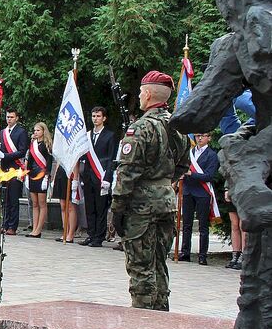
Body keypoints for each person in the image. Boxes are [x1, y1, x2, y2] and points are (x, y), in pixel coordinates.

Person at [112, 71, 189, 311]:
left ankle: (143, 323)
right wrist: (162, 183)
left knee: (140, 269)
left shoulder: (141, 128)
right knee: (158, 264)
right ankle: (161, 316)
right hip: (166, 203)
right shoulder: (178, 127)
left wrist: (117, 208)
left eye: (141, 92)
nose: (139, 95)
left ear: (147, 94)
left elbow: (127, 173)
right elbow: (183, 166)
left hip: (141, 208)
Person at [78, 107, 117, 247]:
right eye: (93, 116)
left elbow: (111, 158)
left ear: (104, 118)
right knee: (89, 207)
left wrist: (107, 178)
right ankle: (91, 234)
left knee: (101, 208)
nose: (95, 118)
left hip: (102, 176)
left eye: (98, 116)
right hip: (88, 176)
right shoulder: (87, 136)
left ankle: (99, 237)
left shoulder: (110, 135)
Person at [179, 133, 220, 265]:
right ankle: (185, 252)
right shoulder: (189, 153)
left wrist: (192, 174)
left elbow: (209, 176)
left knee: (203, 226)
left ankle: (202, 255)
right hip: (188, 190)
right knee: (186, 224)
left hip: (202, 192)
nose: (199, 138)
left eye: (203, 136)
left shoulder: (212, 155)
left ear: (209, 138)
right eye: (197, 136)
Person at [0, 109, 28, 235]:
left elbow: (22, 151)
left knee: (13, 199)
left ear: (17, 118)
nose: (9, 119)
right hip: (3, 169)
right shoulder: (2, 132)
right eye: (7, 117)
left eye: (11, 117)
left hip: (16, 168)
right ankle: (4, 224)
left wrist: (5, 156)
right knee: (5, 199)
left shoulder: (21, 132)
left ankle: (12, 226)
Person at [26, 122, 53, 238]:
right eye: (34, 130)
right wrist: (27, 174)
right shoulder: (32, 144)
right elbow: (30, 161)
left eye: (38, 130)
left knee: (42, 203)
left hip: (42, 176)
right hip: (32, 175)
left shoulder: (47, 145)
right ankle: (34, 228)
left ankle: (39, 229)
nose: (35, 132)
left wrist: (47, 176)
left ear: (43, 131)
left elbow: (49, 162)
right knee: (35, 203)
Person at [52, 166, 79, 243]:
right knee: (63, 206)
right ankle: (65, 232)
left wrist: (75, 178)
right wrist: (54, 177)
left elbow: (76, 161)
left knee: (70, 206)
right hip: (61, 171)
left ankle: (71, 234)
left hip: (71, 172)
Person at [223, 185, 247, 270]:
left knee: (242, 226)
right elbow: (228, 173)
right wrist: (226, 189)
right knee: (234, 225)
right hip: (233, 192)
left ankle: (244, 256)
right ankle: (235, 254)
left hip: (246, 192)